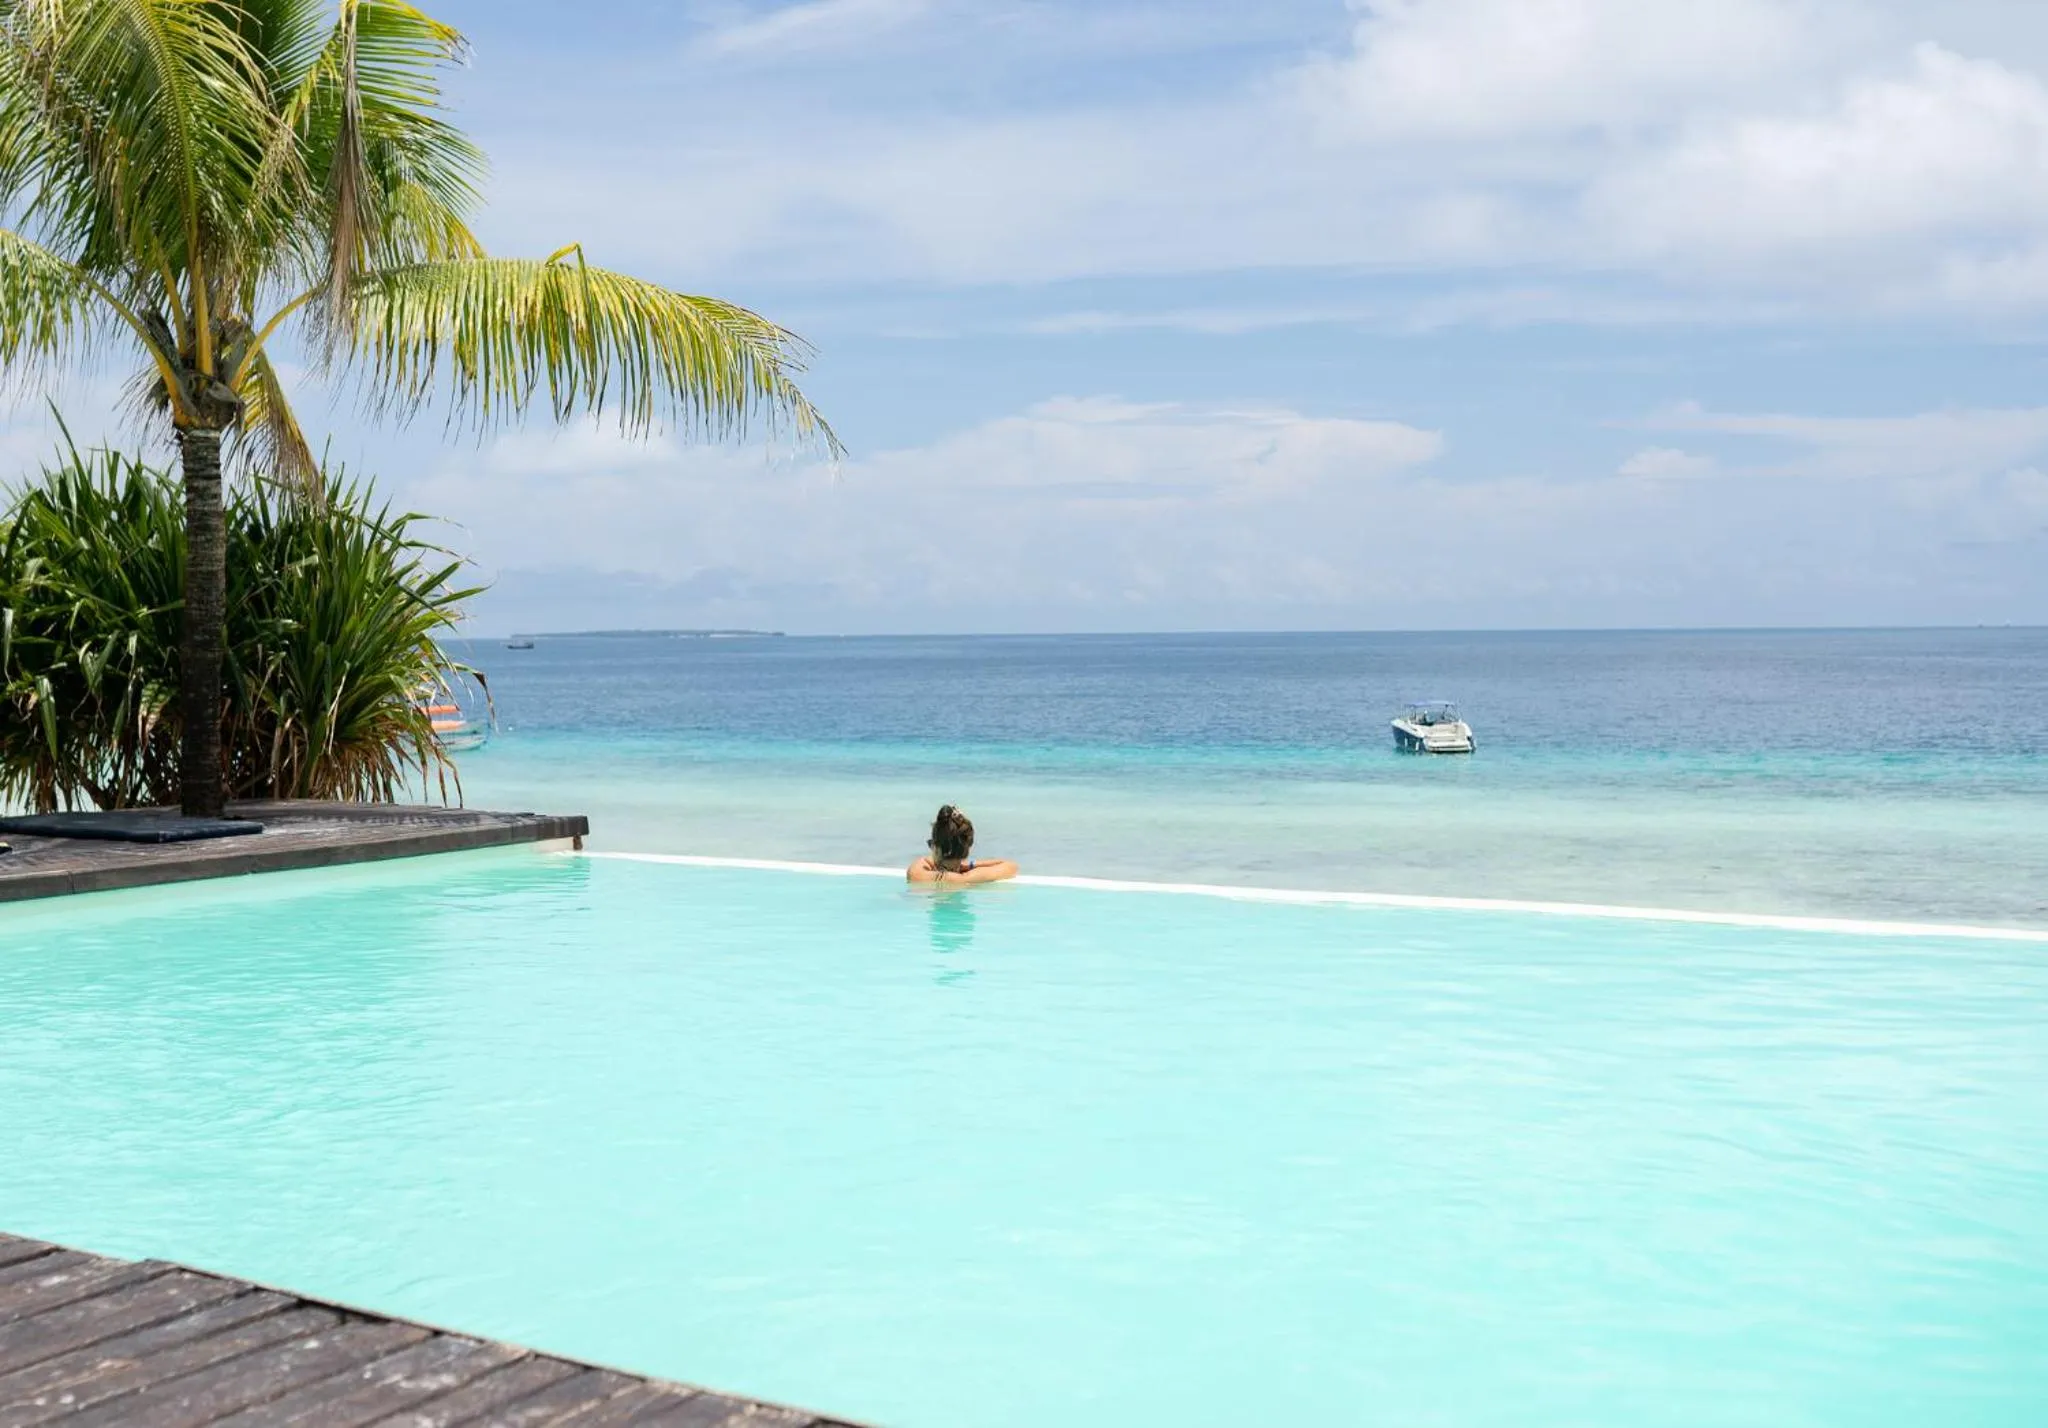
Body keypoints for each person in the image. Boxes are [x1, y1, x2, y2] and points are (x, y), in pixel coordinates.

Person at [907, 804, 1017, 885]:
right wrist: (970, 865)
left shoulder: (916, 873)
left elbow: (925, 862)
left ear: (934, 846)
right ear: (967, 848)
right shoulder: (964, 879)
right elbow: (1011, 866)